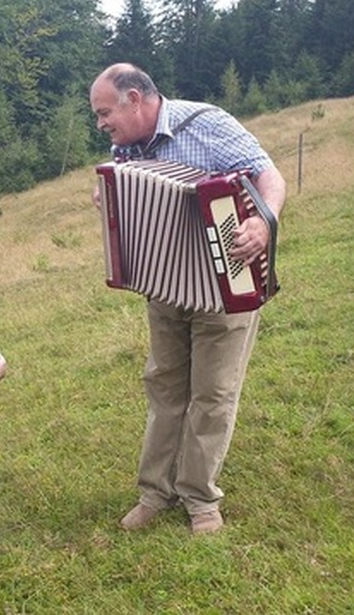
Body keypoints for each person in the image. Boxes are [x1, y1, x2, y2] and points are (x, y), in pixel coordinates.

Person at [89, 63, 287, 534]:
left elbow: (270, 177)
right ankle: (155, 493)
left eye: (103, 112)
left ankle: (200, 498)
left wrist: (264, 222)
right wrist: (109, 200)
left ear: (134, 98)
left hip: (227, 283)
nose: (101, 125)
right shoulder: (124, 148)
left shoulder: (208, 123)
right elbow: (133, 203)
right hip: (167, 286)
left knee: (213, 393)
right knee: (165, 386)